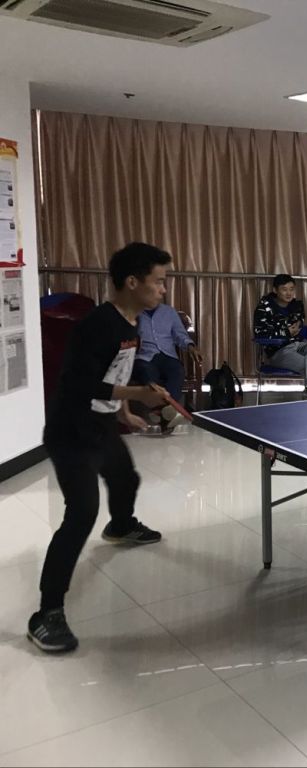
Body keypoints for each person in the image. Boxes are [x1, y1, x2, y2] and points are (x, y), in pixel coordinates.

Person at [29, 242, 174, 653]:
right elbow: (82, 385)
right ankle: (47, 613)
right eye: (159, 281)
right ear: (132, 282)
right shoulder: (97, 326)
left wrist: (124, 410)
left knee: (126, 478)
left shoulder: (131, 322)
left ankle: (121, 525)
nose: (163, 289)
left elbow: (116, 373)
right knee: (81, 514)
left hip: (102, 424)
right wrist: (139, 395)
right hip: (71, 432)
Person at [253, 273, 307, 398]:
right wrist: (286, 332)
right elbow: (260, 334)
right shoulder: (263, 308)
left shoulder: (297, 306)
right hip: (279, 351)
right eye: (284, 289)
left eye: (291, 289)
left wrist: (297, 326)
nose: (289, 293)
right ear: (275, 290)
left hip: (298, 345)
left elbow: (299, 322)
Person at [132, 301, 203, 429]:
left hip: (167, 355)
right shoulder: (134, 311)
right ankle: (167, 413)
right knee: (146, 371)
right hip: (145, 356)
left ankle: (160, 412)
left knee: (178, 371)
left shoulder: (169, 312)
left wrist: (190, 346)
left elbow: (180, 334)